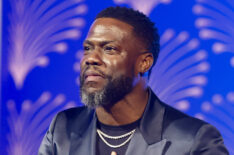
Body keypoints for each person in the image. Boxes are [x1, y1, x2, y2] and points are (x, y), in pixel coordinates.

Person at [38, 6, 229, 155]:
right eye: (87, 48)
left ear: (144, 63)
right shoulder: (62, 128)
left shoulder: (193, 140)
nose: (90, 58)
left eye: (109, 49)